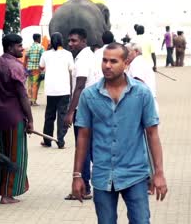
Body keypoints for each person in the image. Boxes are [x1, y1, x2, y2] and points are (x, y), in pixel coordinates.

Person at [71, 43, 167, 223]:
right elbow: (82, 138)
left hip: (135, 173)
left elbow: (152, 134)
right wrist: (77, 176)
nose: (107, 65)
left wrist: (159, 173)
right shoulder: (89, 95)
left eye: (113, 61)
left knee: (141, 221)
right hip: (102, 174)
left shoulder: (141, 93)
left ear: (126, 63)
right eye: (105, 60)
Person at [0, 33, 33, 204]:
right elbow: (23, 97)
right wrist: (31, 120)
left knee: (0, 154)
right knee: (15, 155)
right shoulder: (16, 67)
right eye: (19, 46)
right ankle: (7, 194)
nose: (22, 48)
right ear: (10, 47)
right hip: (15, 119)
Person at [64, 28, 95, 200]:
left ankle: (83, 187)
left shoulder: (83, 58)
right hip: (91, 109)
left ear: (83, 40)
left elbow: (80, 86)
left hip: (83, 110)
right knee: (92, 148)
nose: (70, 44)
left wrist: (70, 112)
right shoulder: (87, 56)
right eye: (69, 40)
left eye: (74, 40)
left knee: (82, 148)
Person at [39, 32, 74, 149]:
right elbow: (71, 69)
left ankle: (47, 140)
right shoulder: (68, 54)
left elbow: (41, 66)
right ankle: (60, 141)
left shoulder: (45, 54)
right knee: (62, 115)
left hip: (50, 90)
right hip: (64, 89)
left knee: (49, 115)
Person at [126, 43, 158, 113]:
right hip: (147, 102)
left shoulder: (136, 63)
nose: (125, 55)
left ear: (136, 51)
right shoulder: (141, 61)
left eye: (128, 52)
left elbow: (139, 84)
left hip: (143, 104)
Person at [24, 33, 45, 106]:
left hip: (29, 68)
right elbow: (43, 58)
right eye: (40, 38)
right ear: (38, 39)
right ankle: (34, 101)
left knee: (30, 84)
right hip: (37, 69)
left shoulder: (29, 47)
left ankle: (29, 100)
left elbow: (26, 58)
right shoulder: (41, 47)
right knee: (35, 85)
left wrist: (24, 67)